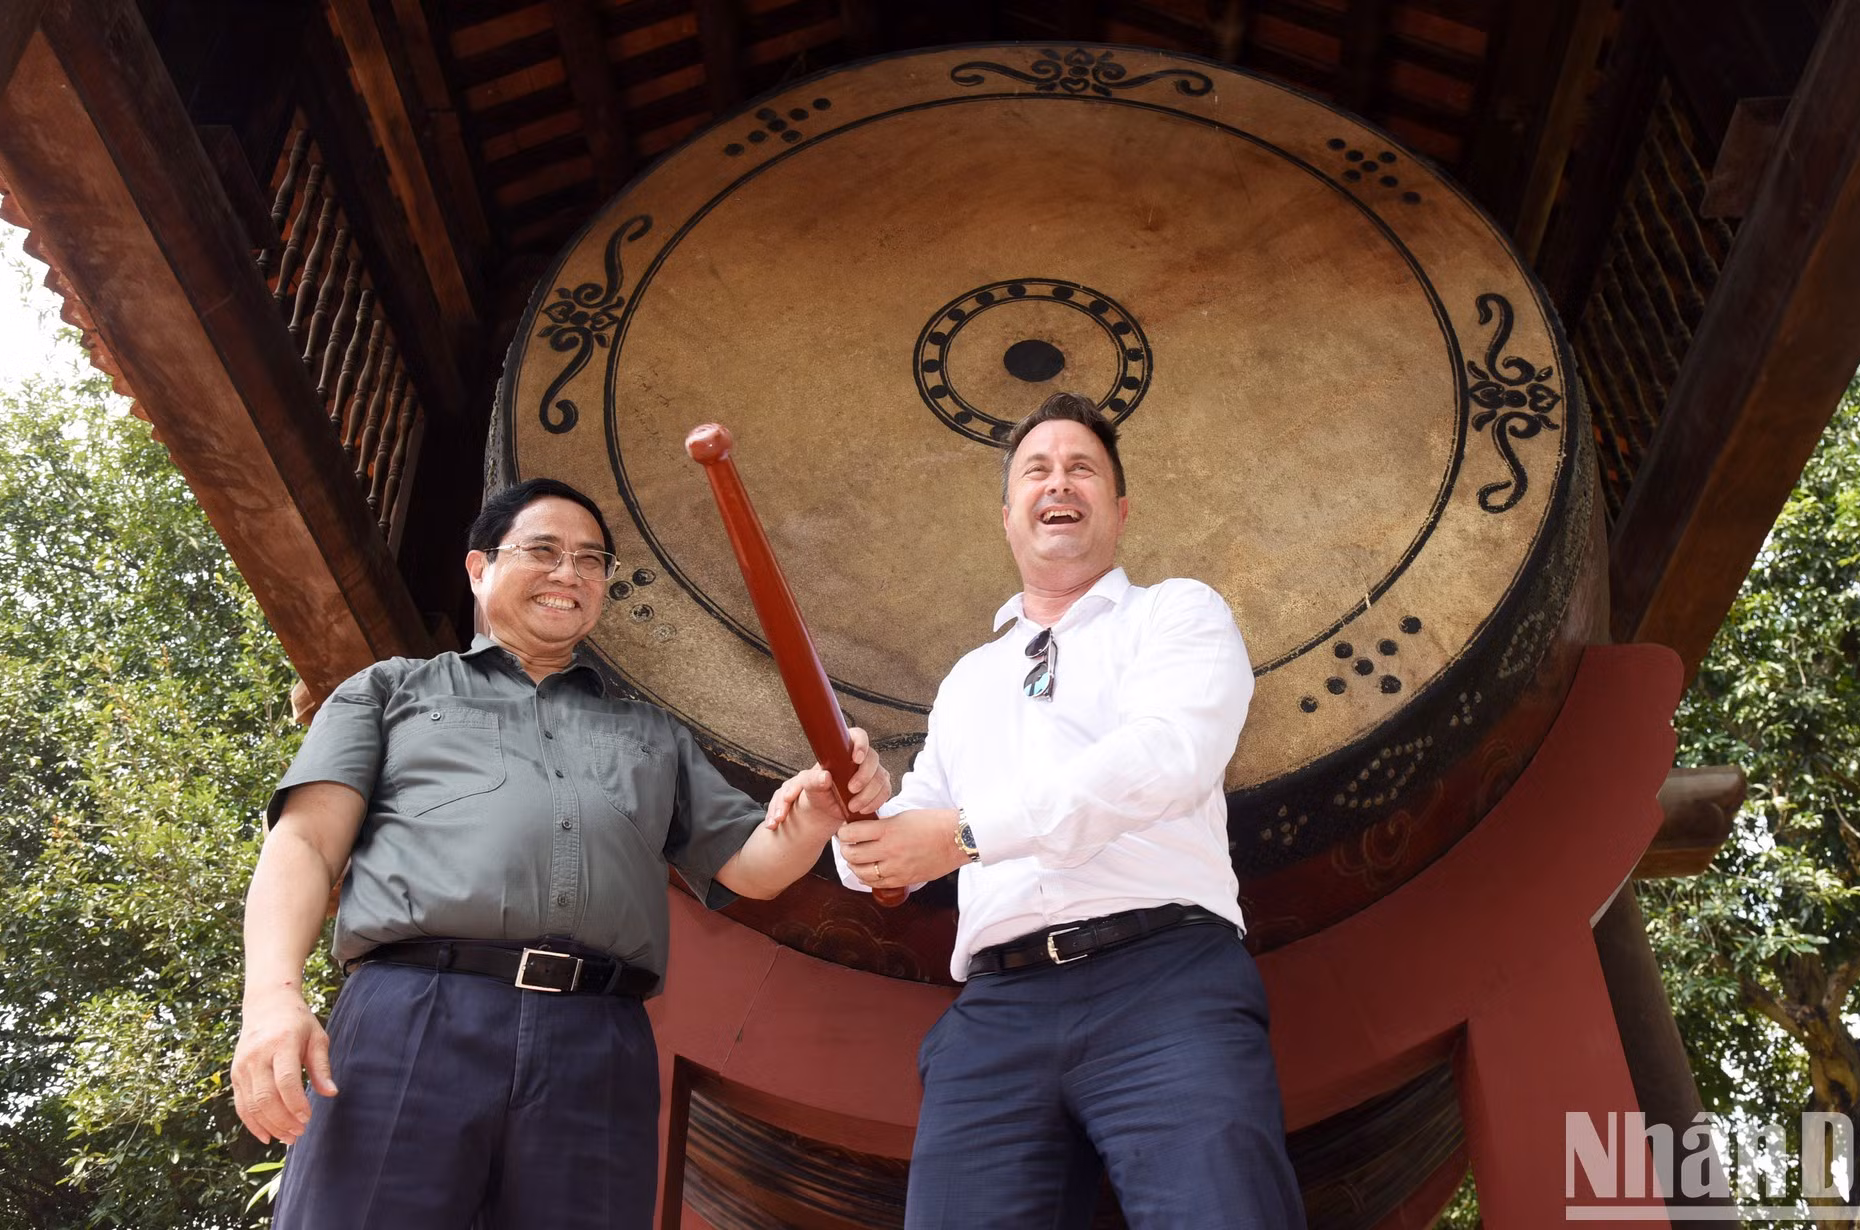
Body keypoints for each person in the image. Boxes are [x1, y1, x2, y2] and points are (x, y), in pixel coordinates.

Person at [231, 477, 889, 1229]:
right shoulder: (390, 692)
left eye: (590, 560)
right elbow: (306, 843)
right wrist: (271, 998)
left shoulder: (653, 733)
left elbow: (753, 867)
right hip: (413, 1014)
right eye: (542, 551)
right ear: (478, 568)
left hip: (598, 1040)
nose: (568, 573)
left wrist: (816, 811)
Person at [826, 392, 1304, 1227]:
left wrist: (967, 836)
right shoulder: (968, 680)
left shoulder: (1177, 612)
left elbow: (1165, 757)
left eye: (1082, 468)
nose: (1059, 482)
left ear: (1119, 510)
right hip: (996, 1011)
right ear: (1007, 517)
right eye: (1036, 471)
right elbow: (893, 849)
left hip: (1164, 980)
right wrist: (849, 815)